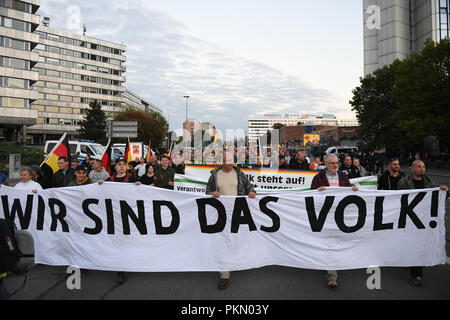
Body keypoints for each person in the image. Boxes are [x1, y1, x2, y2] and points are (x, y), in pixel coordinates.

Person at [206, 150, 256, 290]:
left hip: (238, 213)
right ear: (222, 162)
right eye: (226, 161)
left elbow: (249, 187)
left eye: (231, 160)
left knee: (236, 239)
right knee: (223, 241)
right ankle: (224, 274)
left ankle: (238, 261)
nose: (229, 163)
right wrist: (212, 193)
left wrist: (252, 192)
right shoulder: (215, 175)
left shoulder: (239, 173)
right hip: (220, 214)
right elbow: (207, 190)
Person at [397, 160, 448, 286]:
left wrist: (443, 191)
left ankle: (416, 273)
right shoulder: (403, 182)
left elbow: (436, 196)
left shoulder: (429, 182)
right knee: (409, 244)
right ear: (413, 168)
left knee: (418, 245)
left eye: (423, 167)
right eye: (419, 167)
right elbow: (397, 199)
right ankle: (413, 268)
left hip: (423, 220)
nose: (422, 169)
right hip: (408, 219)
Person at [310, 154, 358, 288]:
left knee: (337, 241)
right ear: (326, 164)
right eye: (332, 163)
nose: (335, 165)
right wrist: (317, 192)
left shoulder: (343, 177)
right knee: (329, 242)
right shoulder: (318, 178)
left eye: (337, 163)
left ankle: (333, 263)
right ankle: (332, 275)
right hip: (326, 216)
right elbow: (311, 196)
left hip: (340, 215)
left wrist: (353, 190)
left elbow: (348, 193)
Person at [98, 158, 141, 284]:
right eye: (119, 165)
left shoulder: (132, 179)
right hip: (114, 215)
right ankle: (120, 270)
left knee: (128, 241)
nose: (121, 167)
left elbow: (141, 194)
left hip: (129, 215)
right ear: (115, 167)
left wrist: (139, 186)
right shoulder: (109, 180)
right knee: (117, 243)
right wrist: (100, 186)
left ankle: (130, 262)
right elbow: (101, 194)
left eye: (123, 165)